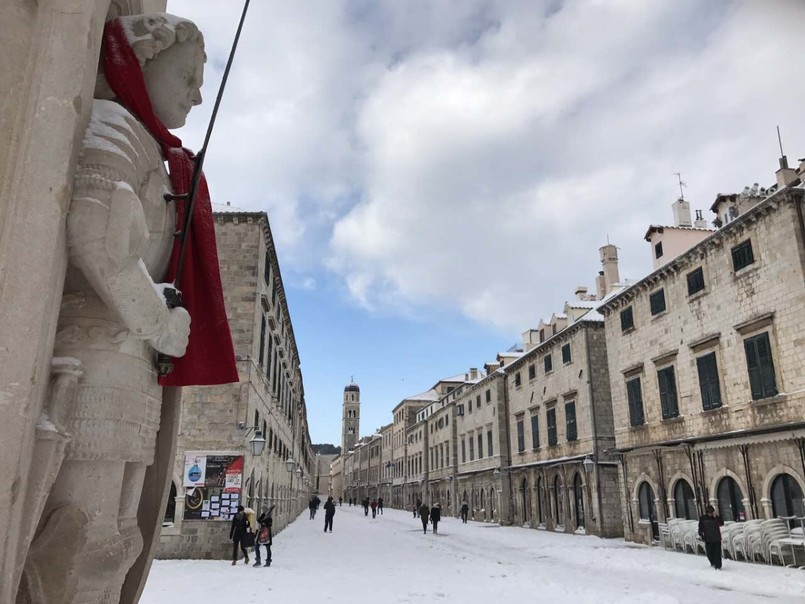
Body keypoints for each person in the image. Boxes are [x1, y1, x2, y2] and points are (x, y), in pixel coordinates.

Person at [34, 13, 236, 599]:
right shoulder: (115, 130)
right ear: (142, 62)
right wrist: (160, 321)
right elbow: (96, 234)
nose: (198, 93)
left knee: (123, 533)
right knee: (81, 532)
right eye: (189, 75)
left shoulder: (154, 151)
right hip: (99, 350)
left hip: (134, 362)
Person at [698, 504, 725, 570]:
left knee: (717, 553)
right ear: (707, 513)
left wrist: (717, 517)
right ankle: (712, 562)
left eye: (711, 512)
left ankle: (718, 565)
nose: (710, 514)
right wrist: (701, 534)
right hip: (708, 538)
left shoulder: (716, 518)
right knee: (709, 552)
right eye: (709, 513)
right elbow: (700, 527)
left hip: (716, 538)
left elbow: (721, 523)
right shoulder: (703, 518)